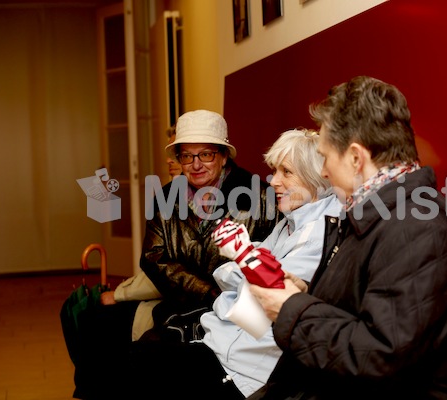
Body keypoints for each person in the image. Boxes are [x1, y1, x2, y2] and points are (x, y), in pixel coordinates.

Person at [248, 76, 447, 399]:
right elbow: (364, 309)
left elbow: (379, 355)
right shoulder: (376, 212)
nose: (324, 171)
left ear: (356, 158)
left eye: (326, 157)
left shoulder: (414, 227)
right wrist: (306, 293)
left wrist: (292, 308)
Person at [66, 110, 278, 400]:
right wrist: (207, 292)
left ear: (224, 155)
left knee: (155, 357)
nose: (195, 164)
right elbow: (153, 257)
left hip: (236, 312)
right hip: (181, 301)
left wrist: (221, 297)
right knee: (103, 330)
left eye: (205, 154)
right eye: (186, 156)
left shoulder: (260, 197)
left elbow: (265, 263)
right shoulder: (165, 196)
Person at [129, 128, 342, 399]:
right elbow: (232, 275)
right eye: (187, 156)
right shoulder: (291, 222)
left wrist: (242, 257)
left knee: (140, 362)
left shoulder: (318, 230)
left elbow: (260, 303)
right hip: (224, 335)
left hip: (244, 361)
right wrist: (245, 267)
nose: (274, 181)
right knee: (141, 351)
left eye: (286, 172)